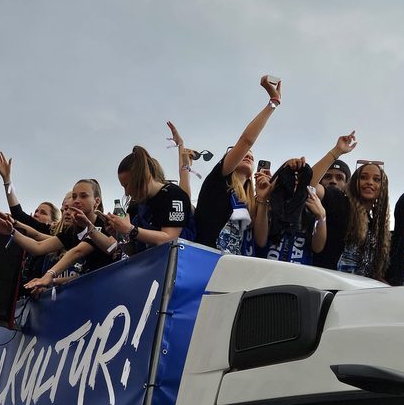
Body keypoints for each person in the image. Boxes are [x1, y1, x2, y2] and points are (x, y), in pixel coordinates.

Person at [193, 75, 281, 254]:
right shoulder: (219, 180)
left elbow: (261, 241)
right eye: (243, 153)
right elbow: (246, 141)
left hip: (234, 267)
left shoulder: (250, 202)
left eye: (252, 156)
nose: (248, 155)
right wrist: (273, 102)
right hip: (206, 261)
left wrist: (262, 200)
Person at [0, 179, 116, 289]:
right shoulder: (73, 230)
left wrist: (49, 275)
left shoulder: (104, 223)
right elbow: (38, 246)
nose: (77, 200)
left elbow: (78, 251)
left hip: (111, 286)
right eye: (74, 196)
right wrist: (12, 231)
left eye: (83, 196)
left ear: (97, 201)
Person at [310, 132, 391, 280]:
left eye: (376, 179)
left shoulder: (378, 226)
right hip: (327, 285)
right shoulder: (339, 201)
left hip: (359, 291)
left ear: (383, 189)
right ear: (353, 183)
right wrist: (336, 152)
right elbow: (310, 185)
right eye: (364, 177)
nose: (370, 182)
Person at [104, 145, 194, 255]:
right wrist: (119, 233)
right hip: (150, 263)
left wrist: (131, 230)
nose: (126, 192)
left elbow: (169, 239)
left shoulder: (174, 195)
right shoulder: (137, 205)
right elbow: (133, 252)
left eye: (127, 185)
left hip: (179, 260)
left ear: (144, 177)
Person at [252, 160, 327, 264]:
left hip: (297, 273)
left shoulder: (311, 210)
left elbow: (318, 248)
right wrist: (263, 199)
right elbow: (260, 242)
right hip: (267, 270)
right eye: (291, 178)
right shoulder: (269, 208)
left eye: (300, 179)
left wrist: (321, 216)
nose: (296, 182)